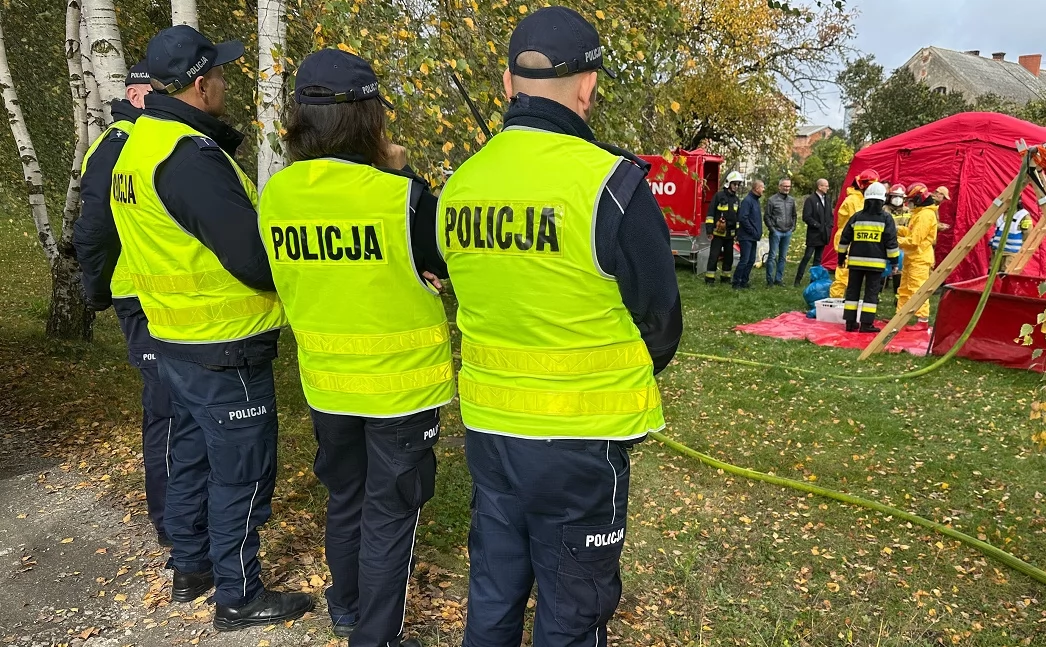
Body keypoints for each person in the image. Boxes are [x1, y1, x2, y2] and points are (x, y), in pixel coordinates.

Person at [436, 7, 682, 646]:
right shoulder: (612, 183)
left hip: (490, 430)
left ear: (509, 85)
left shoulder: (459, 185)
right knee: (573, 609)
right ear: (588, 87)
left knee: (493, 590)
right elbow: (661, 321)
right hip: (580, 442)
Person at [108, 25, 312, 629]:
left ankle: (192, 565)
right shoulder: (190, 159)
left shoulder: (140, 146)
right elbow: (253, 261)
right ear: (201, 85)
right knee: (243, 469)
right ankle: (239, 594)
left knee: (194, 457)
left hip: (174, 337)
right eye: (220, 73)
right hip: (223, 343)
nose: (226, 81)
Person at [256, 49, 449, 646]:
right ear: (370, 120)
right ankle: (376, 636)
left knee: (346, 499)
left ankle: (345, 608)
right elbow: (445, 266)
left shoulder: (278, 195)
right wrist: (400, 175)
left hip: (327, 382)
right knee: (391, 515)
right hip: (400, 388)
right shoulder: (403, 196)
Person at [73, 60, 172, 547]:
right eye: (160, 92)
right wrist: (97, 291)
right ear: (138, 97)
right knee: (166, 408)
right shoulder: (119, 145)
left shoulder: (140, 142)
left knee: (176, 408)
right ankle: (173, 523)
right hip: (139, 294)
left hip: (157, 293)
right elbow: (91, 229)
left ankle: (183, 519)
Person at [837, 182, 898, 333]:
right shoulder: (886, 218)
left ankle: (850, 323)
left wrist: (841, 257)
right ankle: (866, 325)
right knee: (871, 293)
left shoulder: (857, 217)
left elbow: (844, 238)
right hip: (875, 265)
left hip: (855, 263)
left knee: (852, 292)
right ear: (882, 200)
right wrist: (894, 262)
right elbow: (891, 241)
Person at [829, 169, 879, 298]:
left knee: (852, 274)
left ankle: (845, 300)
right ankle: (836, 298)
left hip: (856, 238)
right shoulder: (853, 200)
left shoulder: (861, 199)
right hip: (848, 238)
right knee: (843, 272)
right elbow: (858, 220)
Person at [896, 183, 939, 329]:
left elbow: (914, 241)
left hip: (919, 258)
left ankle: (922, 320)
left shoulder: (925, 216)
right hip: (912, 257)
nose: (910, 203)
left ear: (920, 199)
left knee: (917, 289)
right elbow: (911, 233)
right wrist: (897, 229)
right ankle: (900, 317)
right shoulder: (920, 214)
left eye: (912, 200)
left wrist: (894, 240)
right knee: (905, 289)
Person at [704, 171, 742, 284]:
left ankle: (725, 277)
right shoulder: (718, 196)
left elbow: (738, 218)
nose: (736, 187)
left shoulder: (736, 200)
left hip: (730, 235)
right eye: (734, 184)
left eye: (738, 184)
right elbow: (710, 214)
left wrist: (737, 234)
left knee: (728, 257)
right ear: (729, 184)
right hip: (718, 233)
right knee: (714, 256)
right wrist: (709, 230)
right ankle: (709, 278)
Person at [794, 178, 832, 287]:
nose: (827, 188)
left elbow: (830, 215)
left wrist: (829, 226)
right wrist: (817, 226)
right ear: (820, 187)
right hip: (814, 234)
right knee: (807, 256)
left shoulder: (827, 200)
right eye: (826, 186)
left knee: (818, 259)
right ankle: (798, 279)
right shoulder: (811, 200)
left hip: (824, 234)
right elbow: (807, 216)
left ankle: (813, 280)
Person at [763, 177, 797, 287]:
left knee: (783, 257)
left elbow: (794, 215)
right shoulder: (772, 200)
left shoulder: (791, 200)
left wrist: (793, 227)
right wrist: (772, 229)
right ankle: (769, 280)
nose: (787, 188)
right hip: (776, 231)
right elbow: (767, 216)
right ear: (779, 187)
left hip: (787, 231)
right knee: (772, 256)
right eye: (785, 186)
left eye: (789, 186)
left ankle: (778, 279)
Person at [732, 179, 764, 289]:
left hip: (753, 236)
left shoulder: (755, 200)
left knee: (751, 260)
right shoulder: (748, 201)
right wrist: (753, 231)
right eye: (762, 187)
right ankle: (736, 282)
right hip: (746, 236)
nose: (763, 189)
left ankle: (744, 281)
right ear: (756, 188)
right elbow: (743, 218)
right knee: (744, 260)